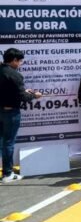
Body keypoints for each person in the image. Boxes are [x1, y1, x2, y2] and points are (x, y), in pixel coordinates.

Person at [0, 48, 42, 182]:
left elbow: (13, 91)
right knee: (8, 143)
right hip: (11, 113)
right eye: (20, 61)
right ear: (14, 60)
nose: (21, 64)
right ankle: (7, 174)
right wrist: (34, 95)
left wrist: (24, 91)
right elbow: (22, 96)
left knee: (2, 142)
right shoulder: (15, 75)